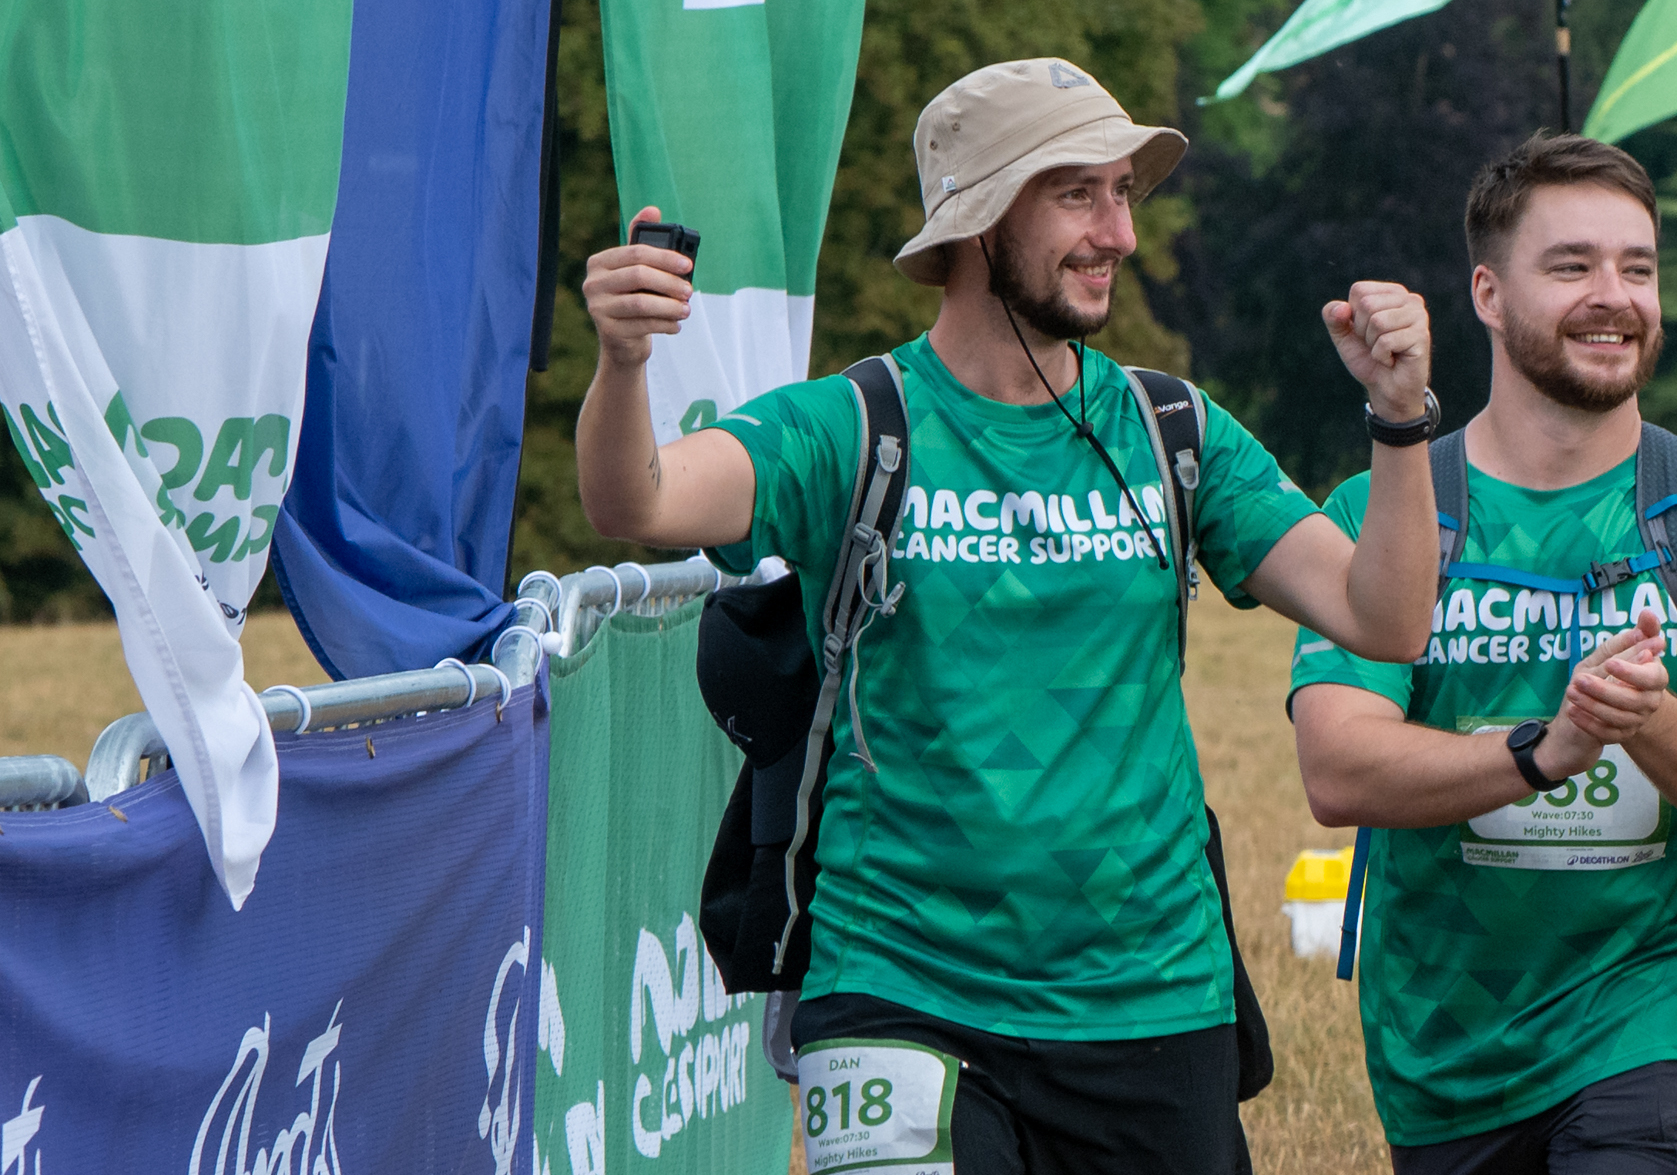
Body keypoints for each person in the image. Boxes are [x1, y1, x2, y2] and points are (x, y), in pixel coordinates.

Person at [574, 57, 1451, 1172]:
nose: (1120, 234)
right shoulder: (855, 424)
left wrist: (1397, 418)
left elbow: (1385, 618)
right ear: (979, 218)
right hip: (900, 986)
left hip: (1152, 997)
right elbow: (635, 497)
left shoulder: (1171, 428)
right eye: (1077, 193)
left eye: (1123, 192)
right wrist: (622, 360)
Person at [1283, 135, 1677, 1175]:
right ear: (1487, 292)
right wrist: (1548, 748)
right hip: (1444, 1043)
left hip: (1650, 1022)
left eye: (1639, 266)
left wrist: (1646, 719)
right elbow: (1338, 766)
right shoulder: (1388, 512)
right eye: (1572, 265)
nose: (1614, 295)